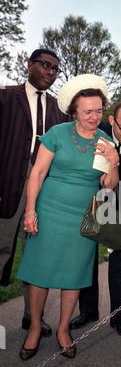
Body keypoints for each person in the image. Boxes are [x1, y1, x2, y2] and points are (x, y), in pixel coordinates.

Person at [16, 74, 119, 360]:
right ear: (74, 110)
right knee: (40, 273)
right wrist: (30, 210)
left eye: (98, 110)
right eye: (88, 111)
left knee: (74, 275)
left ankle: (63, 329)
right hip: (48, 212)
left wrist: (113, 161)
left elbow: (108, 187)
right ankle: (35, 327)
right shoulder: (57, 134)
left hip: (83, 218)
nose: (94, 116)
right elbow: (37, 173)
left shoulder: (105, 141)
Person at [69, 99, 121, 336]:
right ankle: (88, 311)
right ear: (112, 121)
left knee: (120, 258)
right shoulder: (98, 131)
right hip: (90, 196)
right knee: (86, 257)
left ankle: (118, 316)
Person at [0, 49, 68, 336]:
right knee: (1, 248)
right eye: (45, 65)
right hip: (7, 185)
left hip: (43, 189)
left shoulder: (59, 109)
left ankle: (32, 318)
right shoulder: (5, 97)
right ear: (29, 65)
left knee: (35, 256)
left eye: (55, 69)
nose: (50, 72)